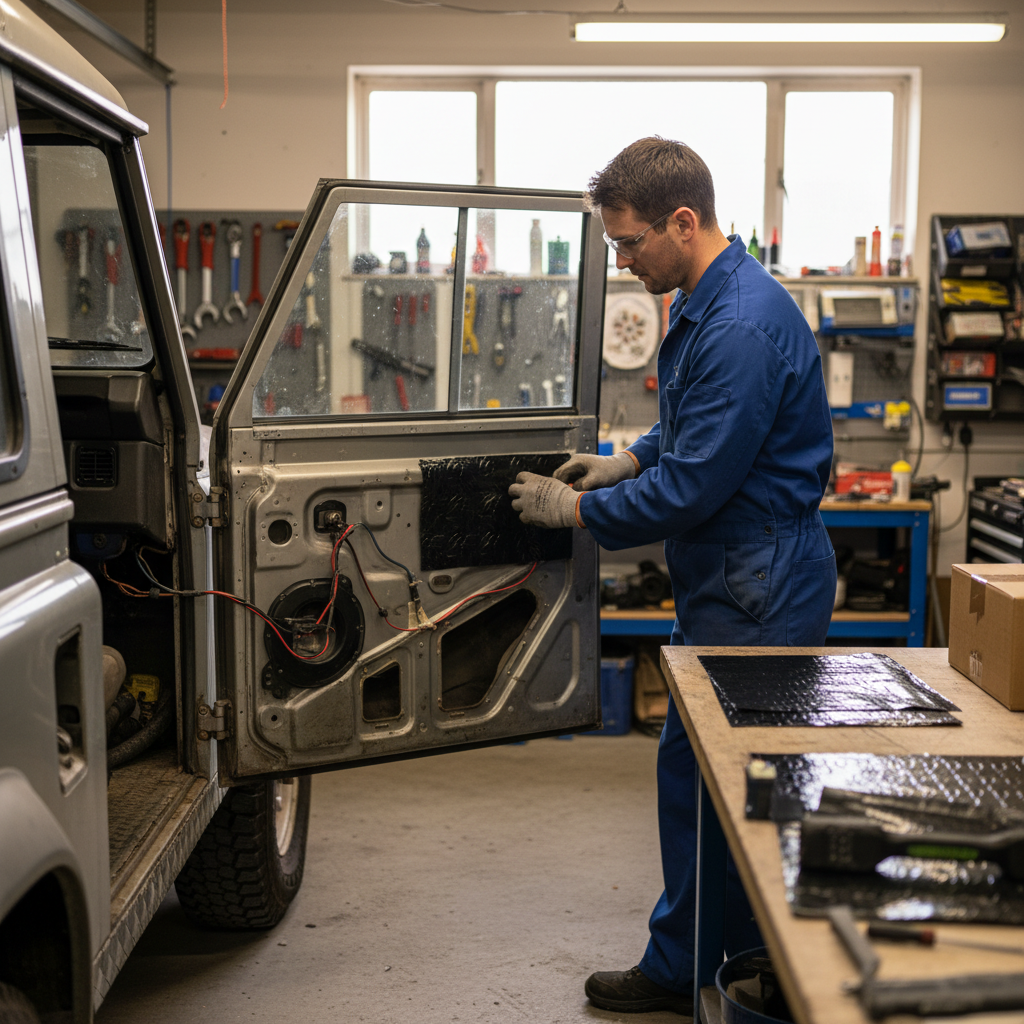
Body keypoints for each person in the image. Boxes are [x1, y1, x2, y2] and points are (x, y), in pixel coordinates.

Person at [508, 137, 836, 1015]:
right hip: (738, 568)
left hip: (757, 574)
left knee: (725, 778)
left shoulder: (735, 324)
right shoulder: (710, 296)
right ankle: (727, 955)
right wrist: (623, 459)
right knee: (720, 775)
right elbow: (687, 436)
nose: (621, 261)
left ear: (683, 222)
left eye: (628, 243)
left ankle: (701, 967)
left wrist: (574, 512)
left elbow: (691, 489)